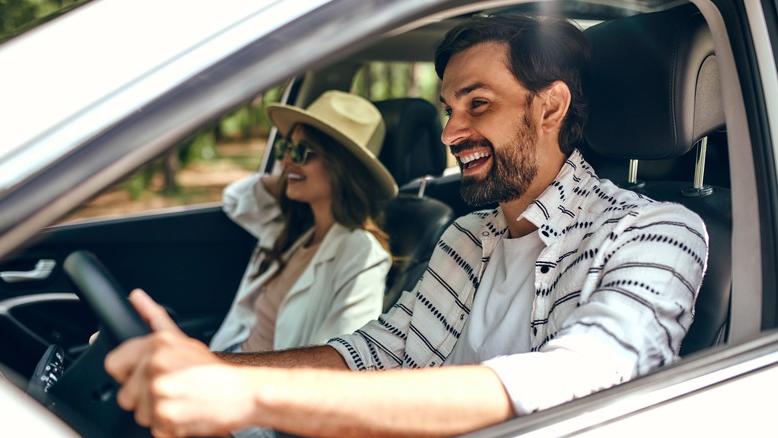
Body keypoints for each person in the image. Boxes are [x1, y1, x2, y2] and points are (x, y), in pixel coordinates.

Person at [104, 12, 708, 438]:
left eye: (477, 104)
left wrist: (248, 395)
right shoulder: (468, 238)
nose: (450, 133)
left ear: (549, 107)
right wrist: (211, 370)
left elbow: (575, 380)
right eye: (449, 109)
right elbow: (376, 353)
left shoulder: (656, 233)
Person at [208, 90, 397, 353]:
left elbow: (341, 358)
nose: (286, 161)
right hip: (228, 354)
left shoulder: (362, 254)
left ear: (340, 166)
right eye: (285, 148)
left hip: (260, 375)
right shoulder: (292, 229)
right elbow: (234, 200)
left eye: (301, 152)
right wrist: (289, 175)